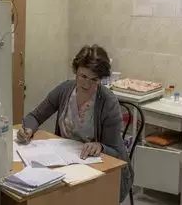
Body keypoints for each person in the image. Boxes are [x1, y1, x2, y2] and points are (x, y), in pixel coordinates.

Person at [17, 44, 134, 202]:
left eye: (94, 80)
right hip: (66, 162)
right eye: (83, 76)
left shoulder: (108, 102)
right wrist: (29, 129)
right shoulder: (65, 90)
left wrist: (99, 146)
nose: (87, 84)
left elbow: (116, 152)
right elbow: (36, 116)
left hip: (99, 169)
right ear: (76, 71)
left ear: (101, 80)